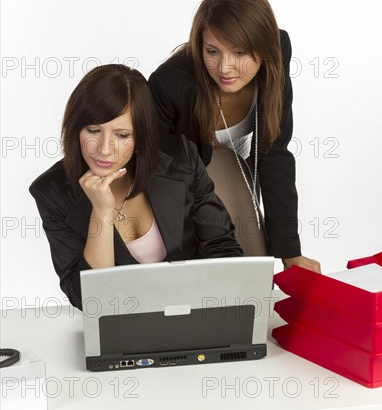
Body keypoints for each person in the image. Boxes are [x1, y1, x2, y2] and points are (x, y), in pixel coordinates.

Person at [29, 64, 243, 310]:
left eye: (122, 135)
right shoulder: (51, 192)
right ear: (75, 129)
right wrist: (101, 213)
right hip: (119, 326)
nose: (105, 149)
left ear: (141, 136)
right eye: (93, 130)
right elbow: (89, 301)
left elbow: (221, 247)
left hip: (195, 310)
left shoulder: (182, 158)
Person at [149, 0, 321, 273]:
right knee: (227, 268)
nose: (225, 68)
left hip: (239, 163)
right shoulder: (171, 83)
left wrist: (290, 251)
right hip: (180, 174)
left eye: (240, 52)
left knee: (256, 271)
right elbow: (161, 176)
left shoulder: (277, 51)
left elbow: (274, 152)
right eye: (212, 51)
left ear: (265, 48)